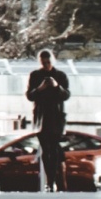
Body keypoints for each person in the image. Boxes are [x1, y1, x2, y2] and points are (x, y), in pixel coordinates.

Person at [26, 48, 70, 191]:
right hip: (42, 117)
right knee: (46, 149)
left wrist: (57, 86)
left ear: (52, 61)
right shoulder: (35, 75)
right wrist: (41, 88)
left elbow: (66, 95)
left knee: (55, 149)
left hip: (56, 117)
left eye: (48, 62)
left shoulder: (60, 75)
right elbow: (30, 95)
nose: (46, 65)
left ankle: (53, 180)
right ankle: (50, 181)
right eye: (43, 62)